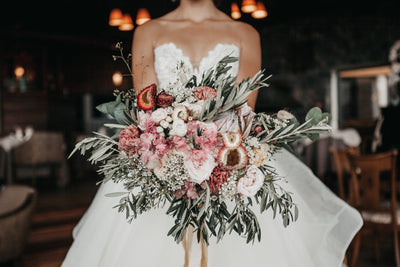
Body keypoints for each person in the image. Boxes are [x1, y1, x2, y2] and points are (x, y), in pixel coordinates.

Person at [62, 0, 363, 266]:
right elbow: (148, 110)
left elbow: (243, 115)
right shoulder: (147, 32)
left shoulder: (246, 34)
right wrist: (174, 153)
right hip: (160, 167)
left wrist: (210, 157)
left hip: (228, 165)